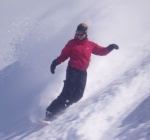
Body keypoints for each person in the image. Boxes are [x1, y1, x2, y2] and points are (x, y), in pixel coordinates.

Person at [46, 23, 119, 121]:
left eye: (81, 34)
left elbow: (101, 51)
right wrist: (55, 63)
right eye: (77, 33)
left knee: (78, 95)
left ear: (85, 34)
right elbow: (64, 55)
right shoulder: (71, 43)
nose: (78, 36)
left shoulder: (90, 45)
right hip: (72, 70)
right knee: (67, 92)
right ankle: (50, 111)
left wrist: (110, 47)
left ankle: (62, 109)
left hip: (83, 72)